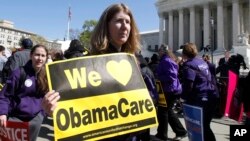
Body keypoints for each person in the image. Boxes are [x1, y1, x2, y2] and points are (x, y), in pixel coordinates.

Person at [42, 3, 141, 141]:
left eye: (128, 22)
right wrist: (52, 108)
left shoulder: (133, 62)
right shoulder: (89, 63)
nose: (125, 26)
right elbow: (73, 109)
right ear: (106, 26)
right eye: (119, 21)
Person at [0, 44, 49, 141]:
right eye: (37, 55)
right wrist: (2, 113)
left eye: (43, 56)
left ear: (46, 58)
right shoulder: (19, 73)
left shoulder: (47, 76)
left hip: (35, 120)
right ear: (31, 55)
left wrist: (41, 114)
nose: (40, 58)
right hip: (16, 119)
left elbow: (47, 96)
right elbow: (5, 95)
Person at [181, 43, 218, 141]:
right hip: (211, 96)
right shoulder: (202, 62)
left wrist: (182, 97)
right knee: (206, 125)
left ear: (184, 54)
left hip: (200, 98)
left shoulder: (188, 65)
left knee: (201, 127)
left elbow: (189, 84)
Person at [154, 44, 187, 141]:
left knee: (163, 112)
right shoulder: (167, 60)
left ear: (163, 51)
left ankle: (162, 134)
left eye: (159, 50)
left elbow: (171, 76)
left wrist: (158, 77)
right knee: (168, 111)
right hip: (170, 89)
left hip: (169, 90)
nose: (158, 52)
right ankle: (180, 131)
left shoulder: (166, 61)